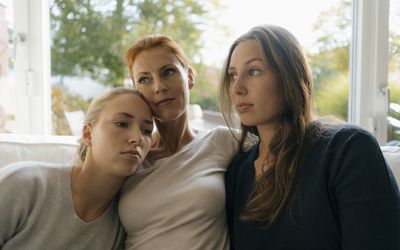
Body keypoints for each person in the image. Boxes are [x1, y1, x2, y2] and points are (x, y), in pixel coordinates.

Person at [220, 25, 400, 250]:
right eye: (232, 75)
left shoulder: (348, 150)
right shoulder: (237, 172)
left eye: (254, 71)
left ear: (290, 75)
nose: (237, 87)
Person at [120, 34, 238, 250]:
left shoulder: (221, 141)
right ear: (136, 90)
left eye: (168, 72)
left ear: (190, 77)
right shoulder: (130, 155)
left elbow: (282, 143)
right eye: (144, 79)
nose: (159, 87)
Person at [0, 88, 154, 249]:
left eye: (147, 131)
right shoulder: (23, 184)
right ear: (88, 134)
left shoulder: (128, 223)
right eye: (122, 124)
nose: (138, 138)